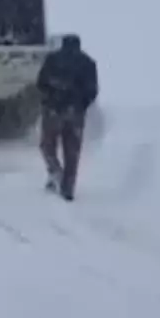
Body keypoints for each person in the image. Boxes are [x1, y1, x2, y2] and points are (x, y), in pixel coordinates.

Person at [36, 34, 98, 201]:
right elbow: (92, 91)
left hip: (53, 110)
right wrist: (80, 106)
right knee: (72, 153)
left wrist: (49, 99)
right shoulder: (88, 63)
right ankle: (68, 188)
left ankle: (55, 170)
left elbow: (40, 83)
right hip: (75, 114)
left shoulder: (53, 59)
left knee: (47, 145)